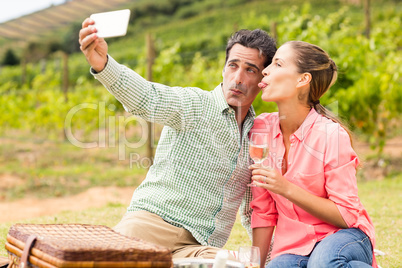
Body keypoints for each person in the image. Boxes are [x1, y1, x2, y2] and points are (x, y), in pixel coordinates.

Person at [79, 18, 277, 259]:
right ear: (223, 69)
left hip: (199, 248)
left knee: (233, 265)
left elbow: (251, 209)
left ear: (262, 79)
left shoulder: (256, 137)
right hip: (149, 227)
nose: (238, 78)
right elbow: (147, 99)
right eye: (233, 65)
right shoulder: (194, 104)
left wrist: (274, 257)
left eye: (250, 70)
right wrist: (104, 66)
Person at [249, 41, 377, 267]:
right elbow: (264, 211)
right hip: (294, 247)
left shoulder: (330, 134)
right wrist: (255, 264)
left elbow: (346, 214)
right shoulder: (261, 129)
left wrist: (285, 188)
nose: (266, 70)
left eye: (278, 64)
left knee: (322, 262)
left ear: (302, 79)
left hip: (344, 236)